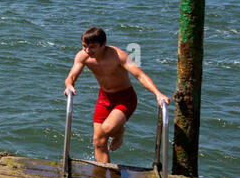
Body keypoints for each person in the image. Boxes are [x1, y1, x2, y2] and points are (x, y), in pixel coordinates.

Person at [63, 27, 170, 165]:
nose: (88, 51)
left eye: (93, 47)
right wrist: (69, 85)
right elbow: (71, 76)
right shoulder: (83, 56)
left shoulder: (119, 56)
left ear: (104, 44)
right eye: (85, 46)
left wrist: (158, 94)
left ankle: (119, 132)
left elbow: (140, 75)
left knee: (106, 129)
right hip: (104, 98)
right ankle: (103, 175)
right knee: (98, 141)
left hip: (125, 98)